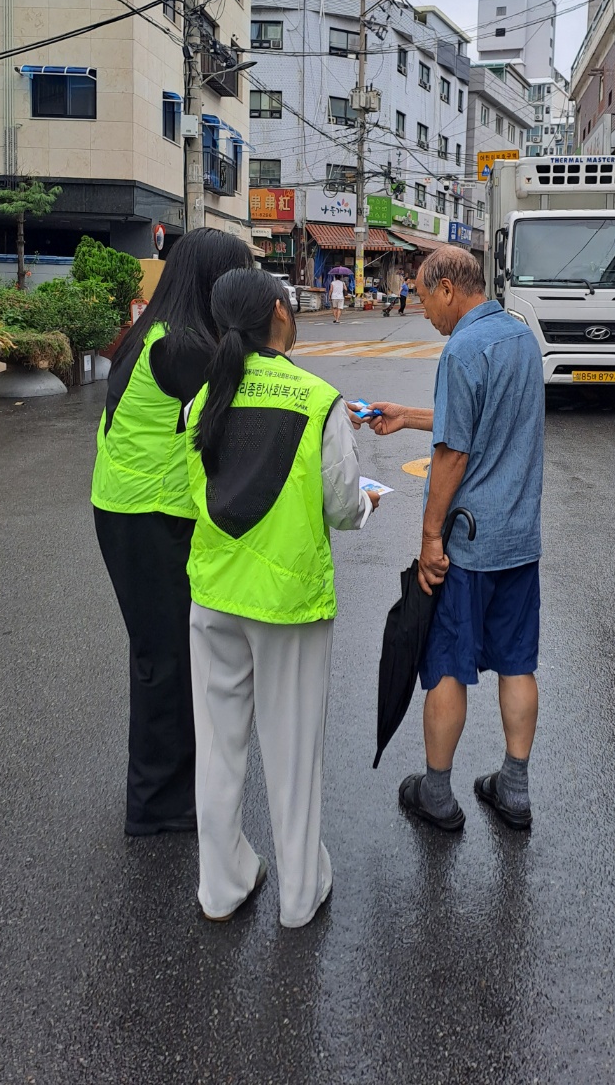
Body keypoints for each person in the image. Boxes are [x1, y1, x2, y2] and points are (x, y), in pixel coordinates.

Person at [185, 269, 377, 927]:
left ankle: (221, 888)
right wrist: (367, 503)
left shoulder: (202, 399)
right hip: (289, 602)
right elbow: (343, 507)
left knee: (218, 749)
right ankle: (299, 897)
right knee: (292, 754)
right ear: (278, 311)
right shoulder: (317, 399)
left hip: (214, 595)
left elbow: (194, 492)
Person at [349, 246, 544, 833]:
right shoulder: (521, 338)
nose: (423, 309)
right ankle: (514, 788)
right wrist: (407, 415)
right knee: (517, 663)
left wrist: (431, 536)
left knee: (446, 667)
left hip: (470, 540)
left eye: (423, 296)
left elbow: (455, 451)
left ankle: (436, 793)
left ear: (448, 290)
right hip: (519, 537)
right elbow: (482, 419)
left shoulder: (462, 349)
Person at [91, 227, 254, 836]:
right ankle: (157, 804)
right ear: (215, 282)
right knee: (163, 656)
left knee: (168, 651)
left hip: (130, 509)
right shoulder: (183, 346)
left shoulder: (158, 330)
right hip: (146, 516)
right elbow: (242, 414)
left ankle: (171, 785)